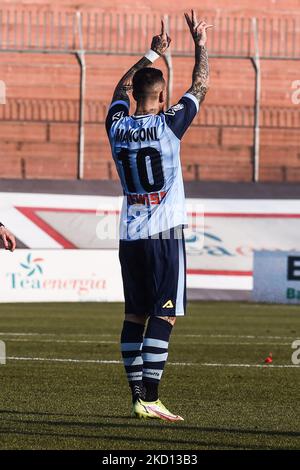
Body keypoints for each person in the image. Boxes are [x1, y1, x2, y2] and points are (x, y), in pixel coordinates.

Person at [105, 10, 212, 421]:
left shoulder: (116, 126)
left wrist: (151, 52)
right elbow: (200, 85)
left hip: (129, 233)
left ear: (133, 96)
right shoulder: (170, 124)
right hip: (164, 233)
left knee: (135, 313)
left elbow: (120, 86)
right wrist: (199, 43)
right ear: (164, 98)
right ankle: (150, 396)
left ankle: (137, 395)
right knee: (164, 313)